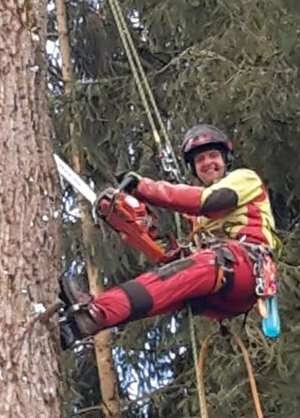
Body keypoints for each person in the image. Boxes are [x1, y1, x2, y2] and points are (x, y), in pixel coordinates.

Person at [59, 124, 279, 348]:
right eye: (200, 159)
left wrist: (143, 187)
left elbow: (207, 202)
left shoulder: (245, 180)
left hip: (245, 267)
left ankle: (95, 313)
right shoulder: (200, 224)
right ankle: (80, 325)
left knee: (180, 273)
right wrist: (134, 228)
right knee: (165, 286)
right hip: (220, 295)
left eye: (213, 155)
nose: (207, 163)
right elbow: (179, 260)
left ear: (226, 159)